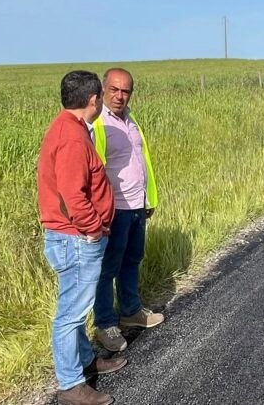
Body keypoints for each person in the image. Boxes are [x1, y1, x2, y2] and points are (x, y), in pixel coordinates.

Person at [37, 70, 125, 405]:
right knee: (71, 313)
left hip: (74, 237)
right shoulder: (72, 139)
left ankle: (86, 362)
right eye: (102, 96)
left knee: (77, 305)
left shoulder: (68, 128)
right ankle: (70, 384)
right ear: (93, 99)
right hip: (76, 239)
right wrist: (94, 228)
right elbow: (71, 197)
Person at [92, 68, 163, 353]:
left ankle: (131, 311)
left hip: (137, 205)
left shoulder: (132, 122)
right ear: (103, 90)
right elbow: (94, 172)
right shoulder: (98, 124)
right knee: (107, 268)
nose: (120, 96)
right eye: (114, 90)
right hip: (114, 210)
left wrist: (149, 199)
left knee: (133, 259)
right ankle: (106, 323)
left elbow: (141, 161)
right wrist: (100, 212)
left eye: (125, 91)